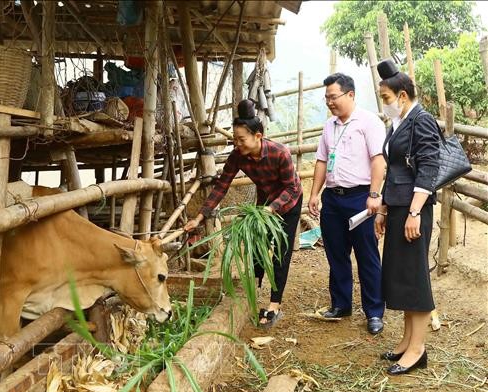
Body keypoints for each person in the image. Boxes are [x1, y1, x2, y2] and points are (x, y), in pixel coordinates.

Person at [184, 99, 302, 328]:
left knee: (281, 252)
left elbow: (292, 188)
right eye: (234, 140)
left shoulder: (280, 153)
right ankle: (253, 292)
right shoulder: (238, 155)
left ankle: (274, 305)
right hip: (264, 204)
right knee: (257, 248)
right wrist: (199, 217)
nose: (237, 144)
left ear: (258, 136)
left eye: (241, 139)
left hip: (288, 204)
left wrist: (271, 209)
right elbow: (221, 186)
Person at [308, 73, 387, 335]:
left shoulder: (368, 122)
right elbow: (321, 160)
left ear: (350, 95)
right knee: (336, 254)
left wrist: (374, 195)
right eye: (327, 98)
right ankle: (341, 304)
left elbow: (378, 160)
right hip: (332, 199)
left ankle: (374, 312)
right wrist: (314, 194)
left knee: (367, 255)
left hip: (360, 197)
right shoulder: (329, 126)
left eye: (333, 97)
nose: (329, 102)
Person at [374, 59, 440, 375]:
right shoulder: (399, 123)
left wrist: (414, 211)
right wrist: (385, 209)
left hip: (415, 208)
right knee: (401, 276)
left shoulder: (422, 121)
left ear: (402, 95)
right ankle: (405, 341)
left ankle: (418, 350)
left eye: (386, 99)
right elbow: (394, 170)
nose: (384, 105)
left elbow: (428, 168)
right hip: (399, 207)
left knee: (415, 278)